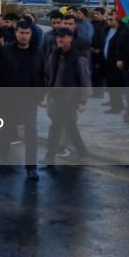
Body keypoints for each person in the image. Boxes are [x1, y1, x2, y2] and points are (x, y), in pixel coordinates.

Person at [0, 18, 44, 180]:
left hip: (29, 97)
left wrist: (40, 96)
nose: (24, 36)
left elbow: (42, 75)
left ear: (31, 34)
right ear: (16, 33)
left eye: (27, 33)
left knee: (31, 130)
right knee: (7, 128)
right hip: (8, 96)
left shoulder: (37, 52)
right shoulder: (5, 51)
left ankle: (31, 167)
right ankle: (2, 157)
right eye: (21, 33)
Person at [42, 28, 91, 164]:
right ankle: (82, 152)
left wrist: (82, 101)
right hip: (56, 96)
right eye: (58, 37)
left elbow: (85, 81)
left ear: (71, 38)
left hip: (69, 97)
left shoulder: (79, 58)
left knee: (55, 126)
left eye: (63, 37)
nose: (60, 39)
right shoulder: (54, 55)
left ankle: (49, 156)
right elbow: (48, 75)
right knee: (70, 126)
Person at [102, 11, 129, 119]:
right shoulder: (106, 30)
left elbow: (123, 47)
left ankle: (119, 106)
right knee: (110, 84)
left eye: (111, 19)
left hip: (117, 62)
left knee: (116, 84)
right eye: (108, 19)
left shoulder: (123, 32)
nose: (109, 21)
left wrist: (120, 59)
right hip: (107, 61)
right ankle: (115, 104)